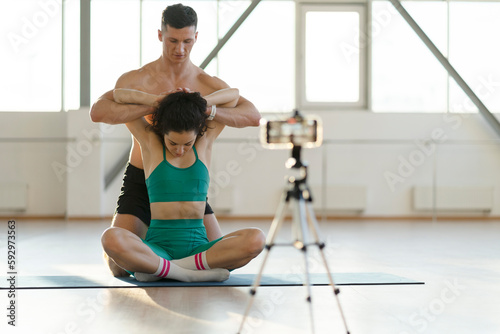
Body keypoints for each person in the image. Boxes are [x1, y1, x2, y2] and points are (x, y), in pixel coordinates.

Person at [89, 3, 262, 277]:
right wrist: (155, 104)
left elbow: (252, 115)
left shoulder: (207, 83)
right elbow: (99, 112)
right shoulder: (138, 80)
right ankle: (179, 269)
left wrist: (204, 106)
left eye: (187, 41)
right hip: (141, 179)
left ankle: (171, 267)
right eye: (172, 40)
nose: (179, 49)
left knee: (223, 258)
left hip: (186, 185)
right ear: (160, 35)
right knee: (117, 267)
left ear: (196, 38)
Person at [104, 88, 263, 282]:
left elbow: (233, 96)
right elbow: (120, 97)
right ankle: (187, 274)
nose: (180, 150)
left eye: (187, 144)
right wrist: (158, 100)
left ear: (198, 132)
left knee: (256, 239)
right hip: (158, 248)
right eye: (172, 143)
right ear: (163, 132)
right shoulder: (150, 142)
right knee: (110, 238)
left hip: (198, 248)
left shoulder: (205, 142)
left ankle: (166, 269)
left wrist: (200, 104)